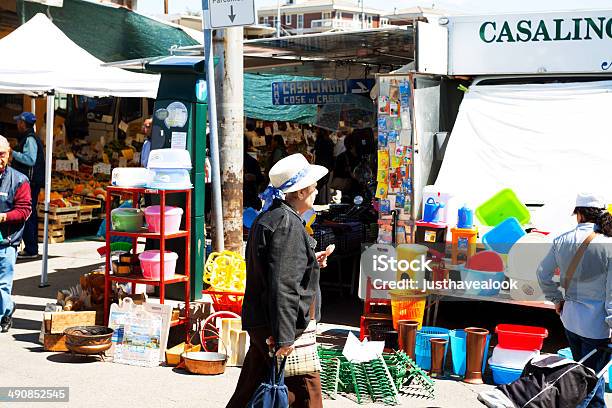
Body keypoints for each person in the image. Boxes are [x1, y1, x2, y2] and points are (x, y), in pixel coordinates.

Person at [227, 153, 332, 408]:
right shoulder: (287, 223)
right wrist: (284, 338)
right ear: (298, 192)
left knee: (253, 386)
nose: (317, 189)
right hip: (282, 326)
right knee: (307, 392)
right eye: (312, 185)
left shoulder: (272, 217)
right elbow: (282, 286)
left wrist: (310, 262)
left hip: (266, 322)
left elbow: (277, 270)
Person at [537, 192, 612, 408]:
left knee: (588, 375)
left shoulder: (562, 240)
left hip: (570, 320)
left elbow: (543, 273)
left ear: (578, 214)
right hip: (597, 328)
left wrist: (556, 299)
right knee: (587, 382)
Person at [0, 135, 33, 332]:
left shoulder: (19, 180)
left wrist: (3, 217)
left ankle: (4, 316)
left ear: (9, 154)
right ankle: (8, 307)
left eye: (2, 154)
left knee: (2, 283)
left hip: (7, 240)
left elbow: (25, 210)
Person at [12, 112, 44, 259]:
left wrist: (12, 153)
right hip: (30, 182)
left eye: (19, 122)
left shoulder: (30, 139)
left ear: (23, 124)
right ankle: (30, 247)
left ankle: (31, 249)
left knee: (28, 214)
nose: (17, 124)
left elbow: (30, 160)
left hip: (30, 182)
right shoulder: (29, 138)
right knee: (29, 213)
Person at [313, 128, 334, 204]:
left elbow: (316, 151)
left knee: (319, 183)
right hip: (328, 164)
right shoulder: (329, 141)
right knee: (324, 183)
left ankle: (318, 199)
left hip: (320, 164)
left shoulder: (319, 141)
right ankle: (324, 200)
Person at [243, 137, 264, 210]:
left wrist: (254, 177)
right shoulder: (252, 161)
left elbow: (260, 178)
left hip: (249, 199)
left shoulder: (252, 161)